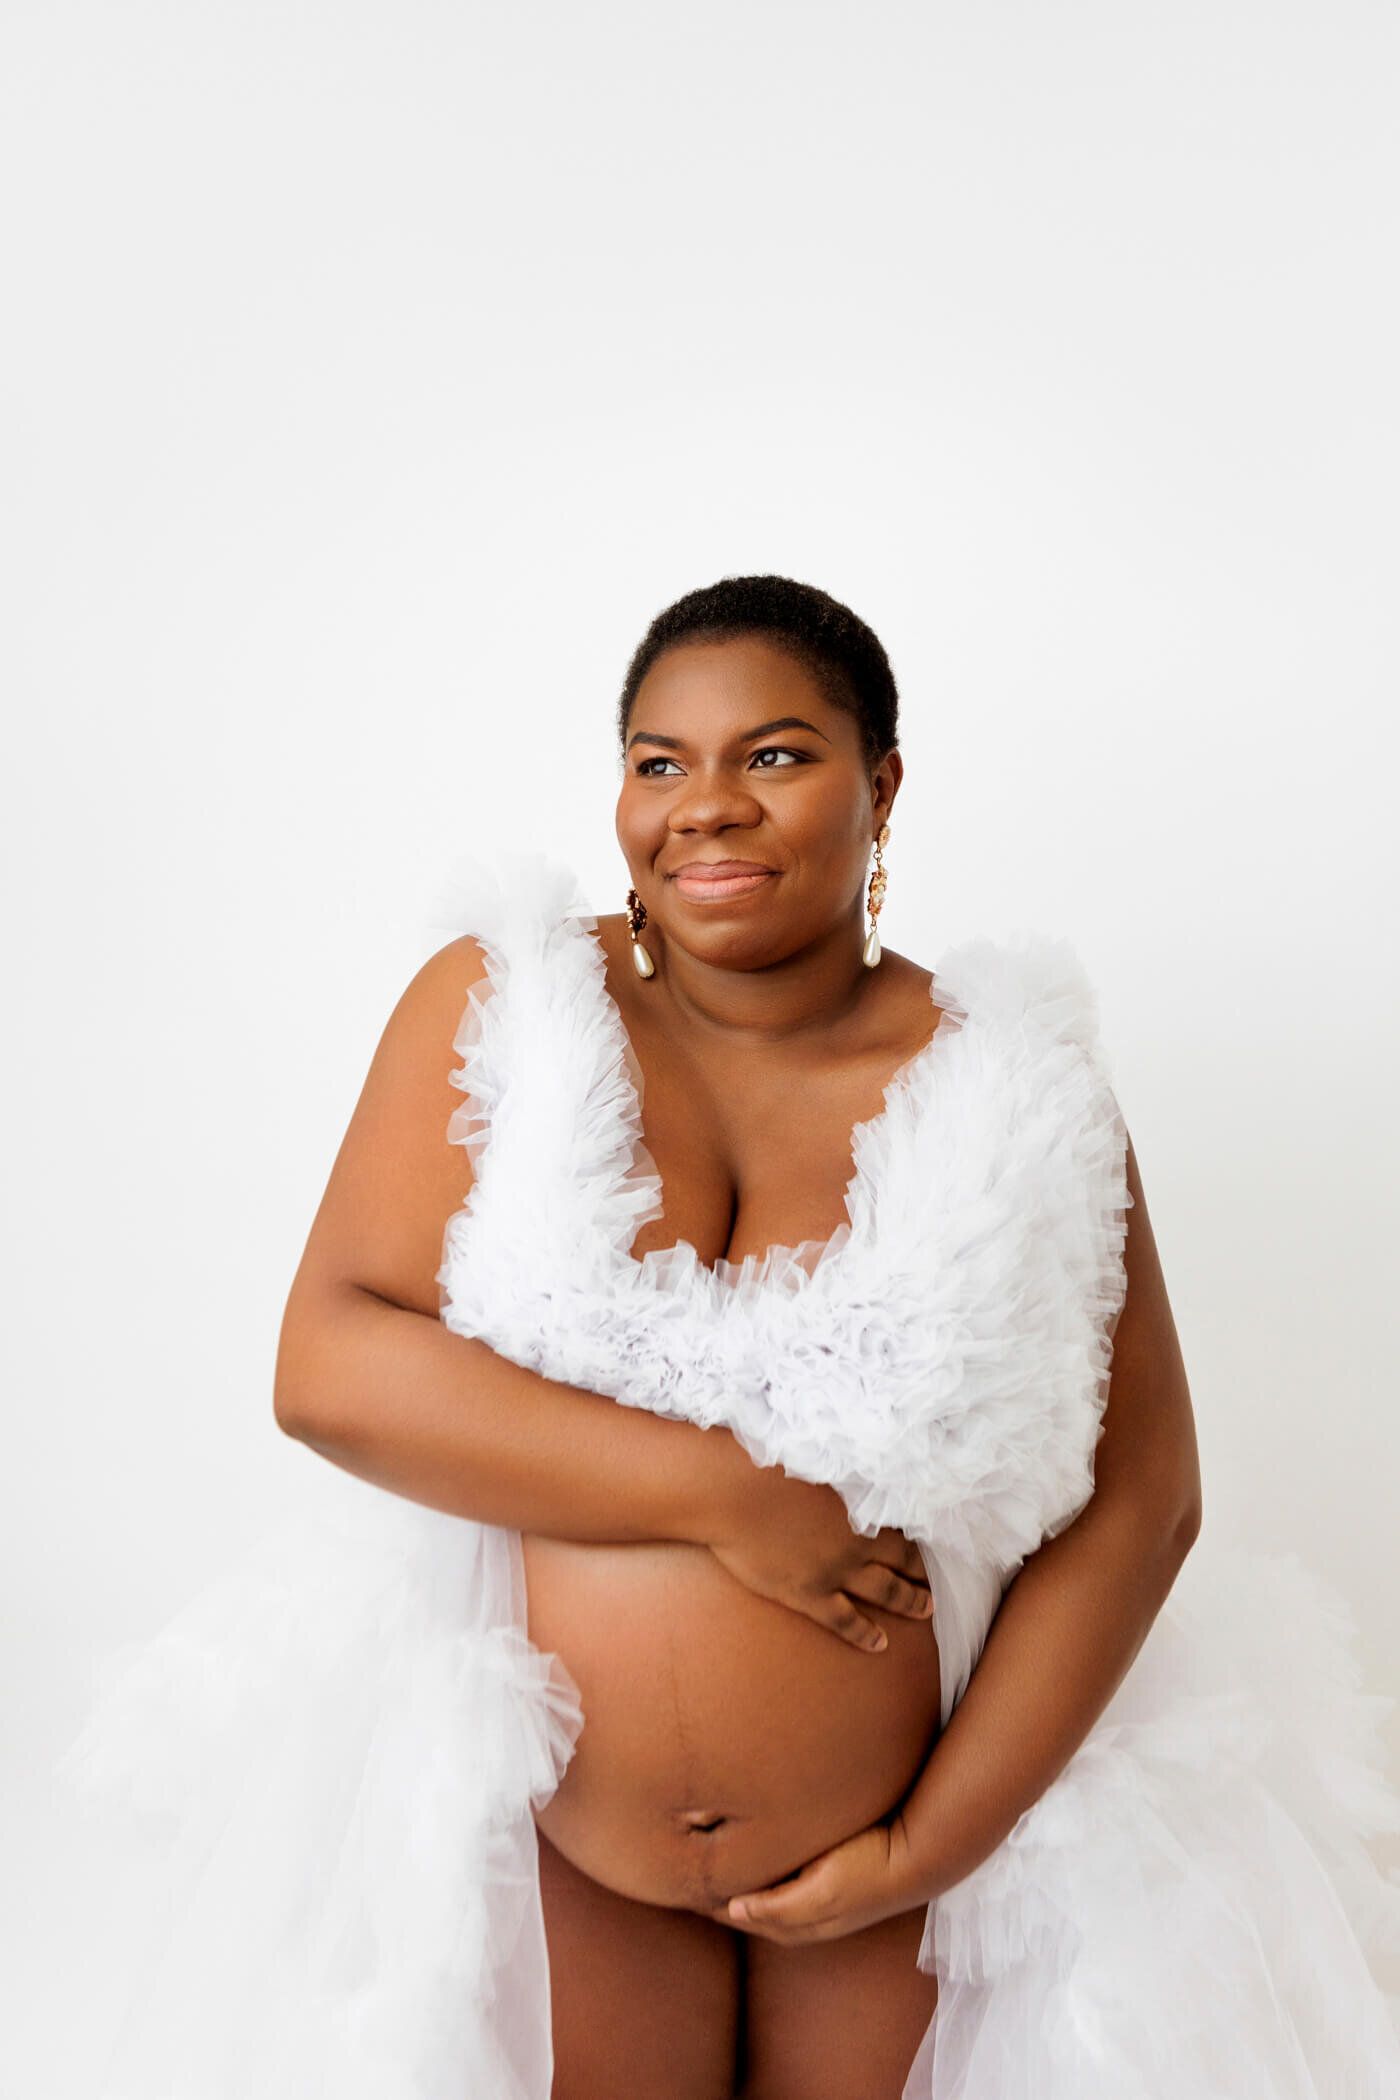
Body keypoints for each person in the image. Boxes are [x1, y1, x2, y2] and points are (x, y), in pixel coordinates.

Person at [30, 575, 1400, 2099]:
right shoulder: (514, 1008)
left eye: (775, 755)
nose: (705, 807)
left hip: (906, 1873)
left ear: (880, 784)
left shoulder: (1016, 1082)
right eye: (658, 761)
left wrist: (923, 1849)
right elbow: (331, 1367)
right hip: (556, 1845)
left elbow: (1147, 1501)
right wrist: (732, 1501)